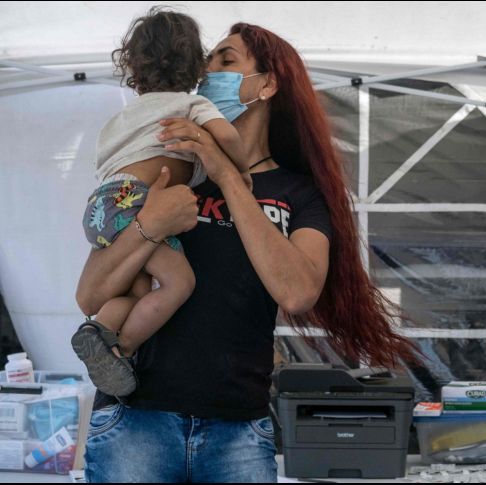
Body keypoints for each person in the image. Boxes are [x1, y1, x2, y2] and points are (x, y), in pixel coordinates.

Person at [75, 20, 417, 483]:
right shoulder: (171, 172)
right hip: (136, 422)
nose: (207, 70)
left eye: (226, 60)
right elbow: (91, 295)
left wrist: (227, 173)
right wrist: (149, 224)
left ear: (267, 84)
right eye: (207, 59)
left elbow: (297, 293)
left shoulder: (300, 194)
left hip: (236, 431)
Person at [71, 7, 252, 398]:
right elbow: (232, 139)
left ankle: (99, 330)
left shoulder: (120, 118)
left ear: (134, 67)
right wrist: (239, 167)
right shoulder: (189, 106)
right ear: (196, 70)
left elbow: (109, 169)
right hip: (137, 204)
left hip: (102, 207)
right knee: (180, 281)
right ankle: (122, 349)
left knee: (135, 294)